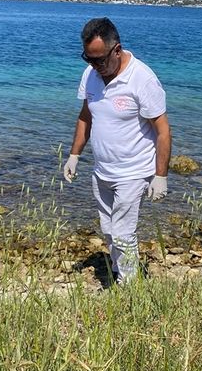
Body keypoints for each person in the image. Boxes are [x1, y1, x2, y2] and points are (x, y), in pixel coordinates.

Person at [63, 17, 171, 284]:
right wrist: (74, 155)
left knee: (123, 232)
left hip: (134, 172)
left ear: (117, 50)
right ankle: (118, 269)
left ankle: (129, 285)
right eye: (88, 59)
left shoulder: (142, 79)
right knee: (108, 229)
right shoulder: (90, 74)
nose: (94, 66)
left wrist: (161, 175)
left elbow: (163, 130)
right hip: (102, 171)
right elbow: (85, 116)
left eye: (99, 60)